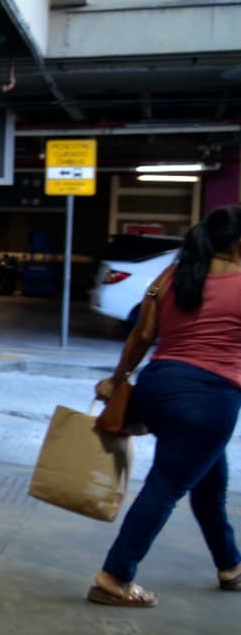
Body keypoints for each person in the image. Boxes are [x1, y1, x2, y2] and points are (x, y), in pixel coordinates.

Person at [88, 204, 241, 607]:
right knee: (167, 485)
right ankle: (114, 577)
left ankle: (230, 566)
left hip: (157, 386)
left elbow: (142, 335)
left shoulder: (174, 275)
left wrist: (116, 380)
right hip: (208, 398)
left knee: (207, 482)